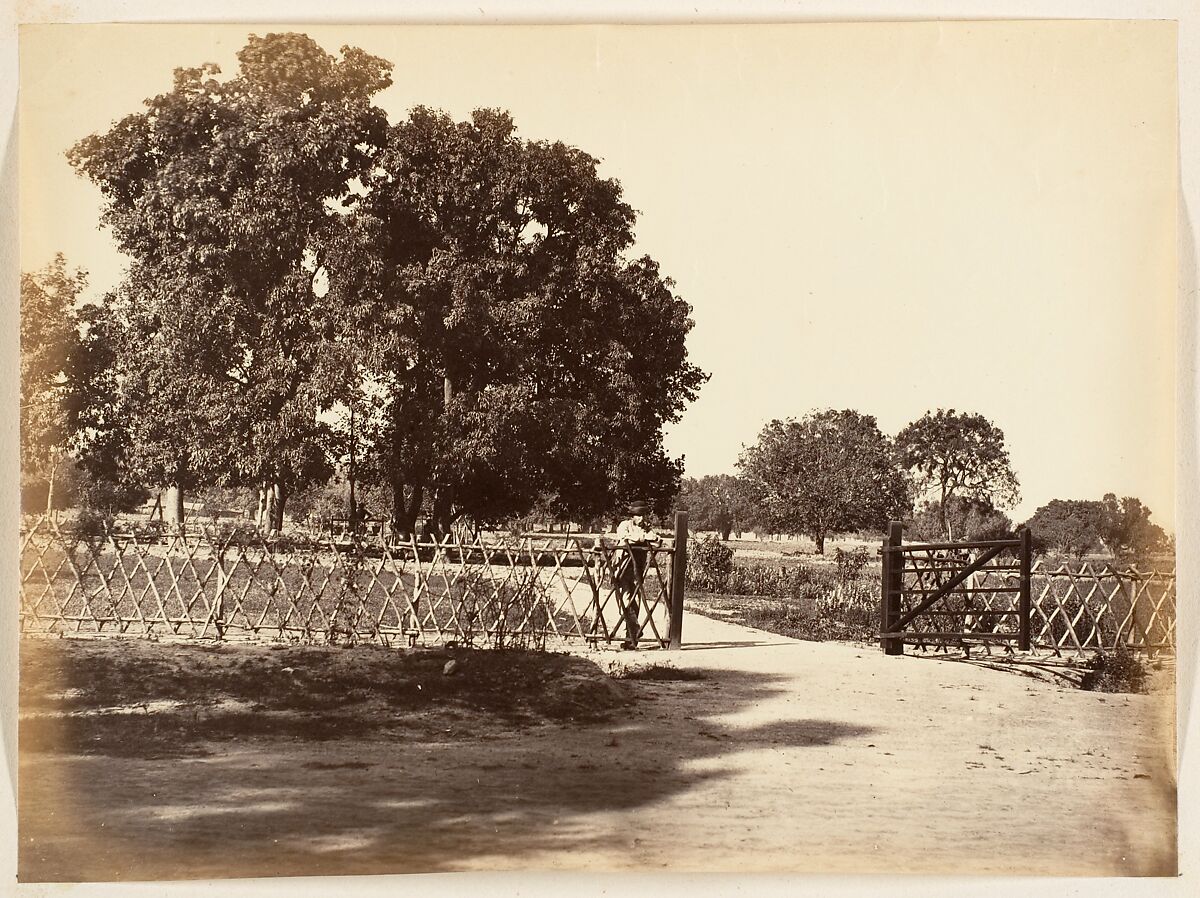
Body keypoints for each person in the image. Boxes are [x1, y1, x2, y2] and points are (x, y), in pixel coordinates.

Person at [613, 501, 662, 649]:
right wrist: (645, 538)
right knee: (623, 601)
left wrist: (648, 538)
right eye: (638, 515)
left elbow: (657, 541)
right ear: (632, 515)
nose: (641, 518)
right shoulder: (624, 525)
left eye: (643, 515)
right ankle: (634, 629)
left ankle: (631, 639)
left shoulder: (646, 527)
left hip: (637, 569)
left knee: (636, 601)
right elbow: (627, 538)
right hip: (623, 567)